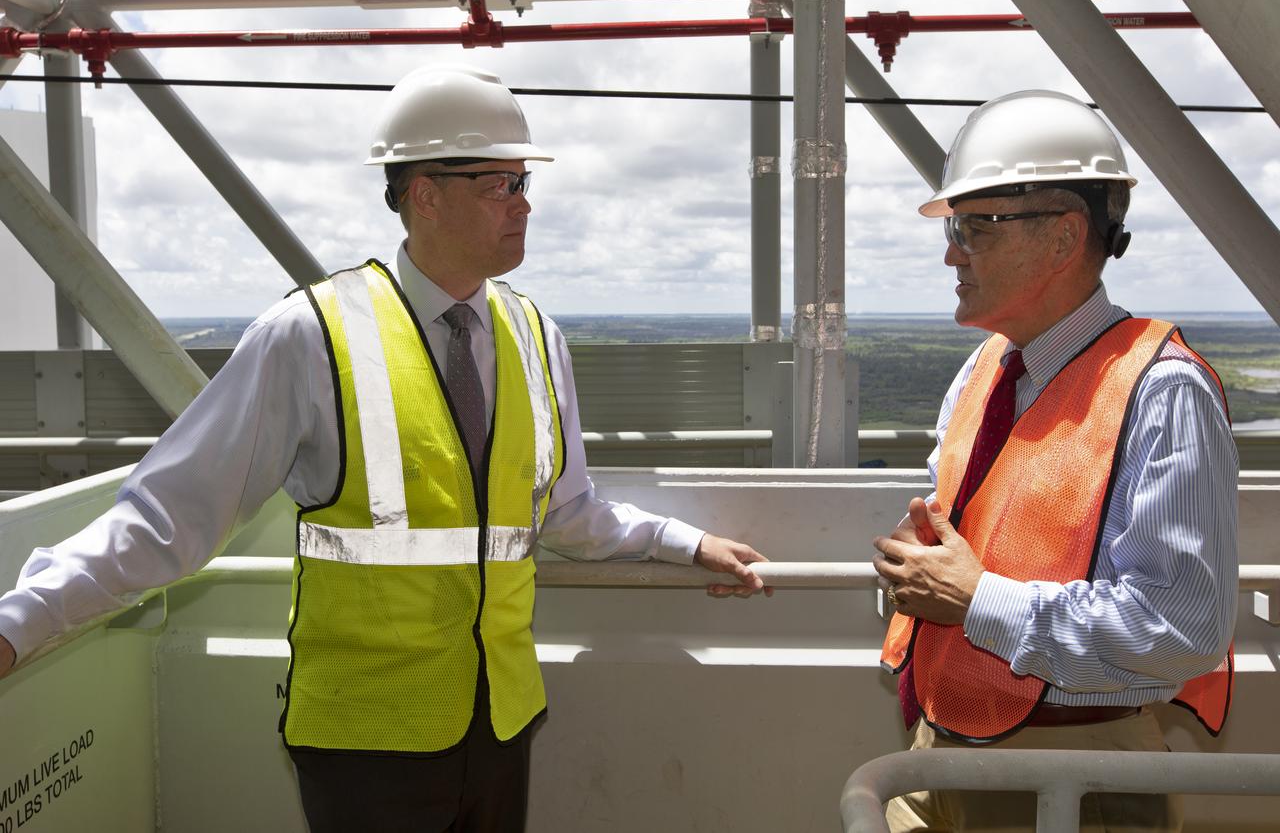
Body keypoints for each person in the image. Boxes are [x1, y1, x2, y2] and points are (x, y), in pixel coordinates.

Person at [0, 66, 769, 832]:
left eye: (523, 180)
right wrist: (18, 622)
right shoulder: (309, 335)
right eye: (500, 182)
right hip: (366, 740)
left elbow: (565, 512)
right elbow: (171, 514)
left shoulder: (537, 335)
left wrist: (685, 541)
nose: (525, 203)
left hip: (499, 727)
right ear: (424, 194)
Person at [871, 90, 1237, 833]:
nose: (951, 252)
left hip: (1075, 771)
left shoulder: (1163, 392)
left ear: (1065, 236)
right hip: (940, 750)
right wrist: (925, 573)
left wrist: (980, 599)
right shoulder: (983, 370)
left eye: (976, 227)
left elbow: (1183, 623)